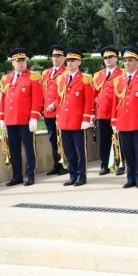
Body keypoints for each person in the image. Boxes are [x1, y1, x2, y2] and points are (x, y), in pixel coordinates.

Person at [0, 48, 43, 186]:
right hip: (11, 120)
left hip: (25, 120)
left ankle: (30, 175)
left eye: (23, 60)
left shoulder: (33, 77)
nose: (21, 63)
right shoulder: (6, 79)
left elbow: (37, 99)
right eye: (18, 61)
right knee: (14, 149)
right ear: (12, 63)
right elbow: (3, 99)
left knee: (29, 148)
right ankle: (17, 175)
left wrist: (34, 117)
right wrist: (1, 117)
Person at [111, 47, 138, 189]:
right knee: (127, 152)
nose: (127, 63)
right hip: (123, 121)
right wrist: (114, 120)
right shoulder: (119, 80)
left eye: (131, 60)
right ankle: (131, 178)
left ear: (137, 63)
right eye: (125, 60)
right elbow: (115, 103)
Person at [56, 48, 94, 187]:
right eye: (68, 61)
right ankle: (72, 174)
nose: (70, 63)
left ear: (79, 62)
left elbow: (88, 101)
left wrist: (86, 119)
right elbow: (59, 99)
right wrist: (58, 117)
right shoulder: (61, 78)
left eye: (73, 61)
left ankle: (81, 175)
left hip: (78, 121)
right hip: (64, 120)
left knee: (79, 150)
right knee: (68, 150)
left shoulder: (84, 79)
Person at [92, 47, 124, 176]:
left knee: (119, 140)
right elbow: (93, 95)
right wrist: (92, 113)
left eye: (110, 57)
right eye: (105, 58)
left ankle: (120, 163)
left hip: (117, 113)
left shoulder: (122, 74)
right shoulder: (98, 75)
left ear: (116, 59)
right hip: (102, 113)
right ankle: (104, 164)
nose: (108, 60)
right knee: (104, 141)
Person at [41, 45, 67, 176]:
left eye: (58, 56)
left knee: (62, 138)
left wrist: (55, 104)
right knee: (52, 139)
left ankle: (64, 164)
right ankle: (56, 164)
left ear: (64, 58)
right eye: (54, 56)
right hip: (48, 112)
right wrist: (41, 107)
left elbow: (66, 93)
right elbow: (43, 92)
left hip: (60, 111)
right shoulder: (46, 73)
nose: (56, 59)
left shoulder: (66, 72)